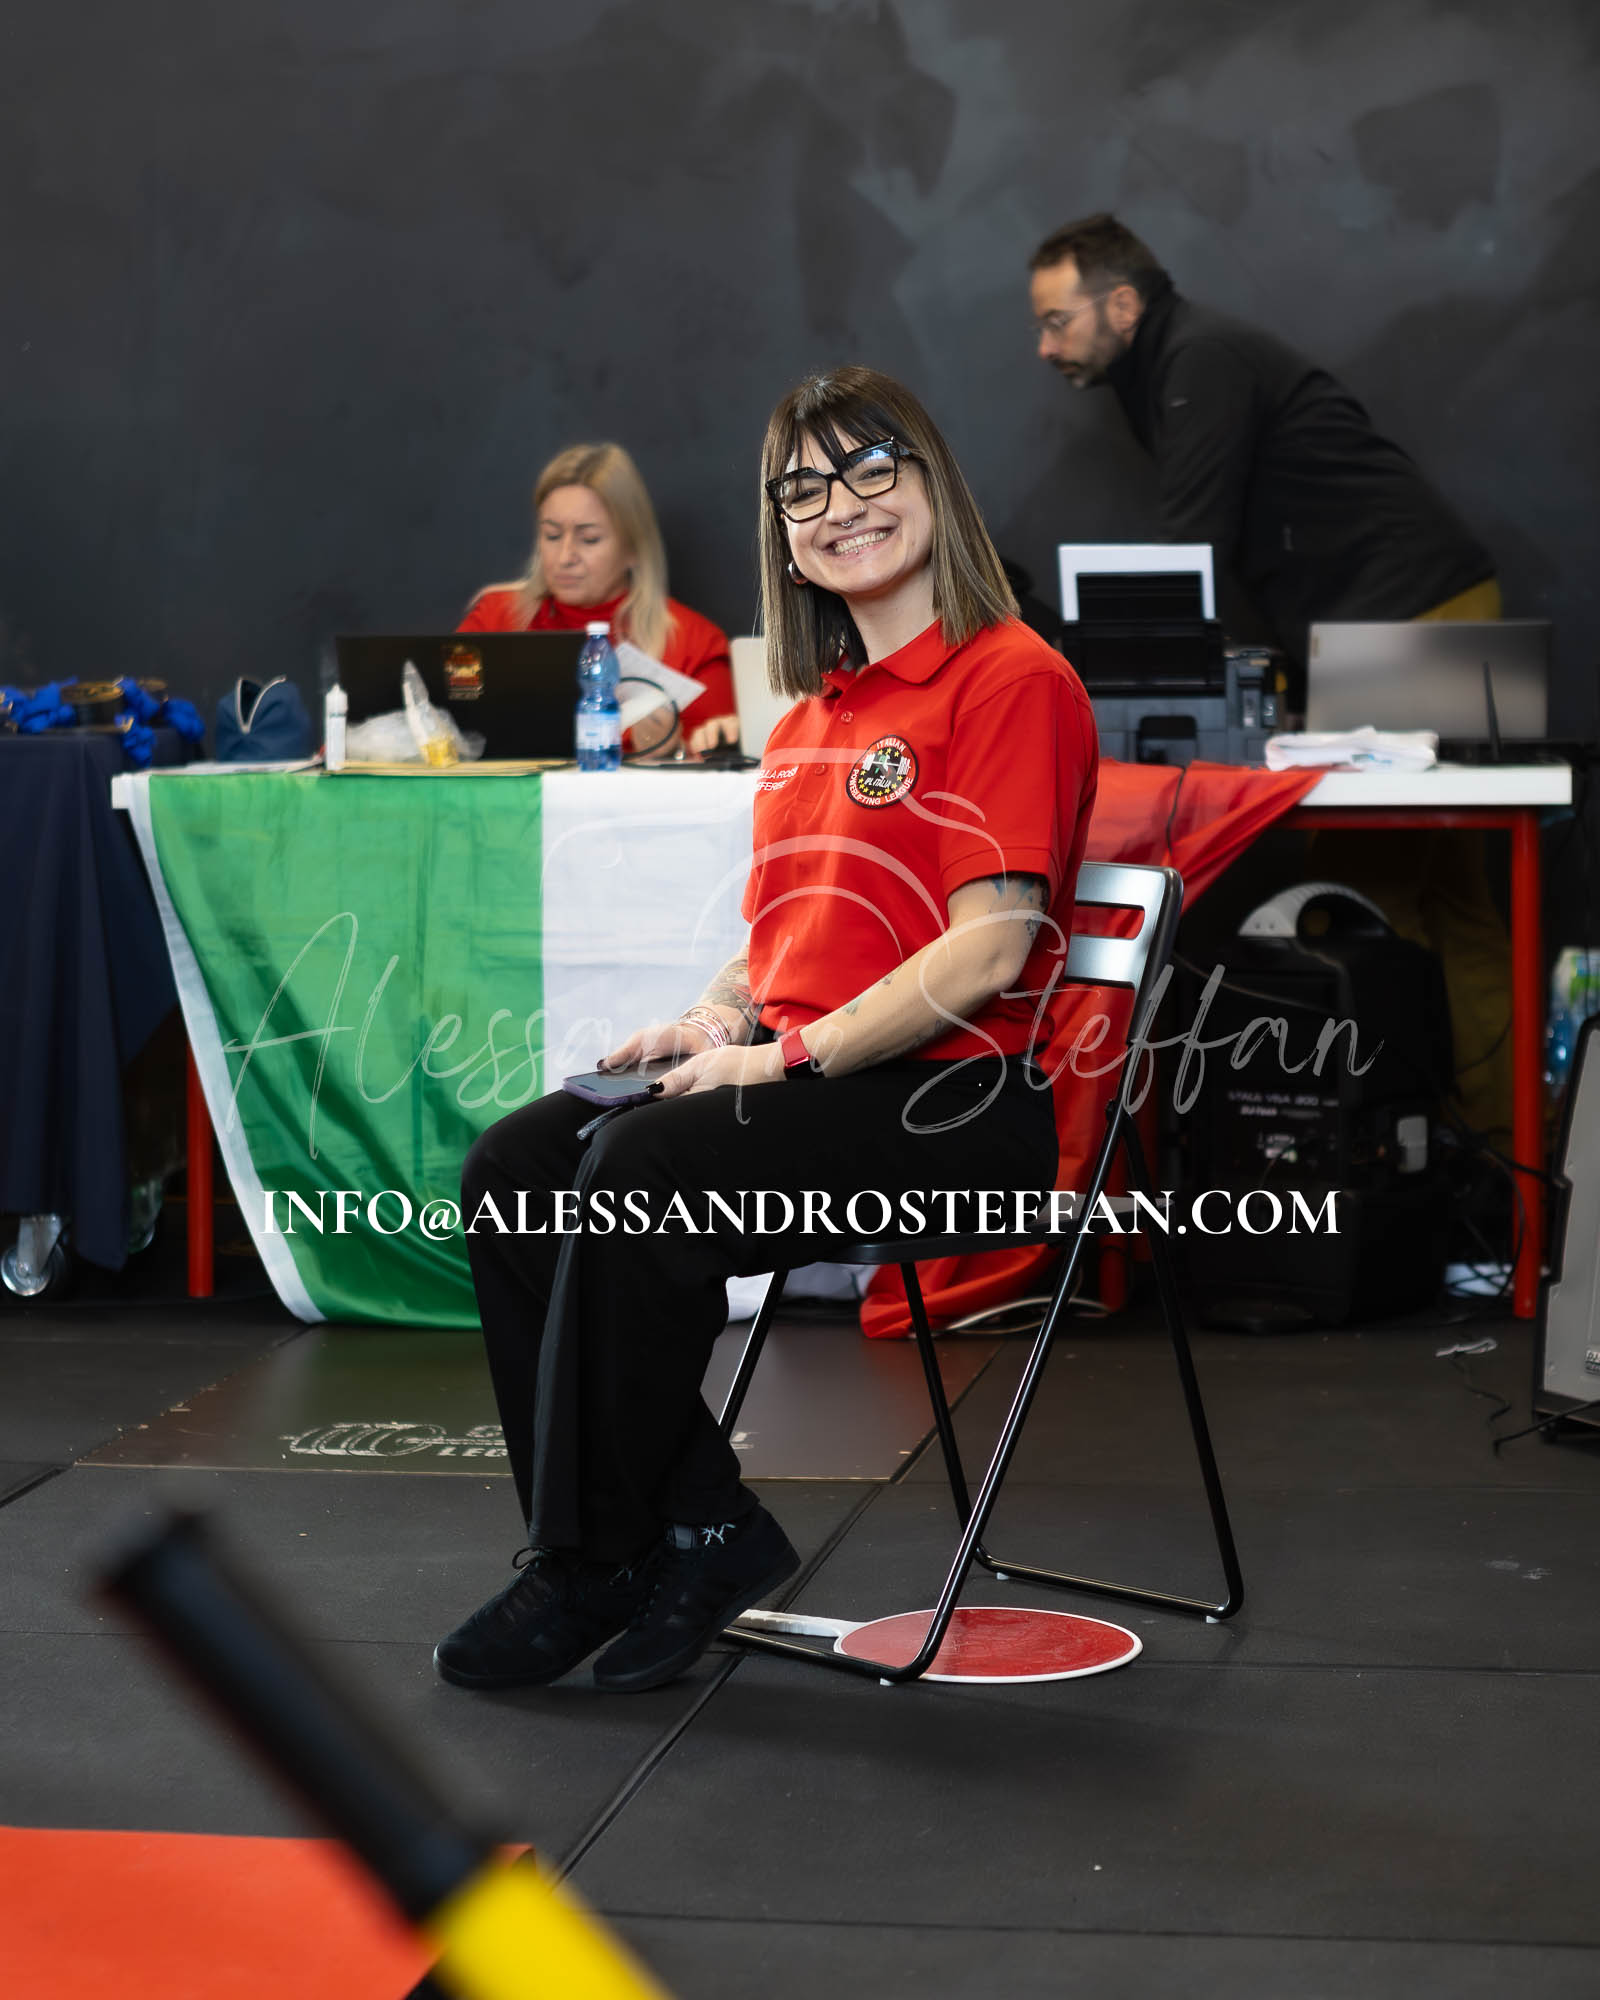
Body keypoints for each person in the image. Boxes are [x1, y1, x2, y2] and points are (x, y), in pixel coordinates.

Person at [435, 366, 1099, 1696]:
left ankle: (594, 1559)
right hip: (816, 1080)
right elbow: (788, 933)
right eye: (803, 490)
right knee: (516, 1166)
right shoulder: (815, 712)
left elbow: (989, 946)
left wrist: (783, 1054)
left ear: (935, 486)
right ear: (782, 536)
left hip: (954, 1104)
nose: (839, 506)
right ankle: (693, 1525)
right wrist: (713, 1017)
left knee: (642, 1169)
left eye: (870, 470)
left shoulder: (1009, 677)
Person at [1028, 212, 1500, 663]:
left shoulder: (1200, 359)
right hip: (1372, 615)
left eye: (1057, 322)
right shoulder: (1170, 364)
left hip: (1411, 606)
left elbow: (1191, 542)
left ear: (1124, 306)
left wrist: (1092, 659)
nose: (1045, 348)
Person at [460, 441, 739, 757]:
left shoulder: (694, 645)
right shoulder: (494, 618)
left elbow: (723, 767)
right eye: (552, 535)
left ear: (634, 549)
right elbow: (441, 724)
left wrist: (674, 750)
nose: (565, 557)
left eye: (589, 539)